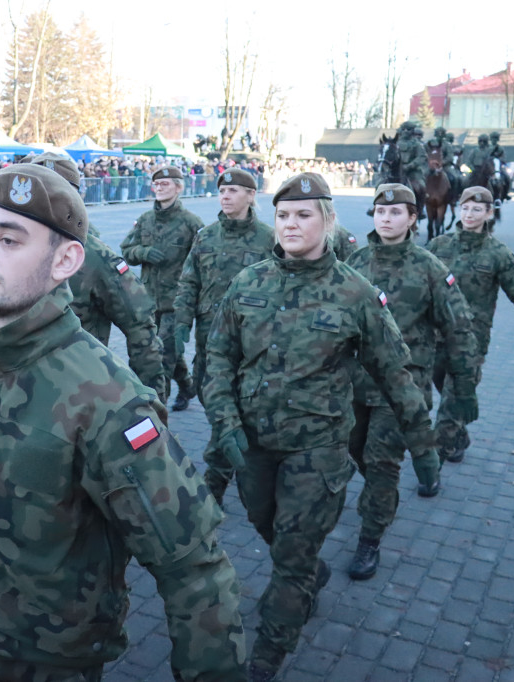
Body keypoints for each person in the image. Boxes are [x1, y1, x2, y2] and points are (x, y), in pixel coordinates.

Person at [0, 164, 246, 681]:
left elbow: (192, 569)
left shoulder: (106, 398)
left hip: (52, 661)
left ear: (66, 259)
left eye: (10, 240)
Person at [203, 172, 441, 682]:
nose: (291, 224)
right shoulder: (249, 283)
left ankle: (269, 652)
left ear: (328, 221)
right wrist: (225, 422)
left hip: (318, 451)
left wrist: (423, 446)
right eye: (284, 215)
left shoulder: (355, 293)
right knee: (269, 528)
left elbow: (397, 373)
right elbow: (218, 356)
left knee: (291, 553)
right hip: (253, 446)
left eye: (303, 215)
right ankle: (312, 574)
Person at [344, 183, 480, 580]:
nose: (386, 219)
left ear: (413, 218)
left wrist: (464, 386)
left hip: (403, 385)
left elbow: (458, 328)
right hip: (356, 383)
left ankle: (370, 538)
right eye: (380, 213)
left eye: (396, 213)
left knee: (382, 461)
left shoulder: (429, 267)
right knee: (356, 452)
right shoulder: (354, 261)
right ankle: (388, 493)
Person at [22, 152, 168, 404]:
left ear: (73, 197)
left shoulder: (94, 256)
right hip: (17, 396)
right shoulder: (8, 248)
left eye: (52, 190)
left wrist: (152, 406)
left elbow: (140, 330)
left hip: (74, 401)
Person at [173, 167, 275, 505]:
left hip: (251, 346)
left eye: (234, 190)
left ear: (251, 196)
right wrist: (180, 324)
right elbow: (189, 281)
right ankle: (238, 457)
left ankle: (214, 485)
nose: (226, 196)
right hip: (209, 342)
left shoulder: (268, 239)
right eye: (222, 191)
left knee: (228, 409)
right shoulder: (206, 236)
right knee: (212, 399)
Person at [428, 186, 514, 463]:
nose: (470, 214)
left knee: (451, 403)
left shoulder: (498, 254)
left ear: (489, 213)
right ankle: (458, 435)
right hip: (436, 337)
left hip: (471, 342)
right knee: (444, 389)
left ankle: (435, 464)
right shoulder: (439, 246)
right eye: (466, 208)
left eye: (477, 209)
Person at [121, 165, 203, 411]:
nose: (159, 188)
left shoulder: (191, 223)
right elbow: (126, 250)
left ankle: (157, 411)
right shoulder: (145, 220)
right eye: (156, 184)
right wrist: (143, 252)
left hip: (176, 302)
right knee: (165, 351)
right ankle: (187, 386)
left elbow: (202, 261)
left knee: (162, 357)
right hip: (148, 300)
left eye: (165, 184)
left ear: (179, 188)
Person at [396, 122, 426, 209]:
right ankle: (377, 205)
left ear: (412, 131)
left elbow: (422, 156)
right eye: (404, 129)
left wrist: (410, 166)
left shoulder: (417, 144)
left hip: (412, 171)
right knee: (380, 183)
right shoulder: (396, 143)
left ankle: (420, 208)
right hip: (397, 170)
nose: (405, 131)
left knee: (421, 186)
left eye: (408, 129)